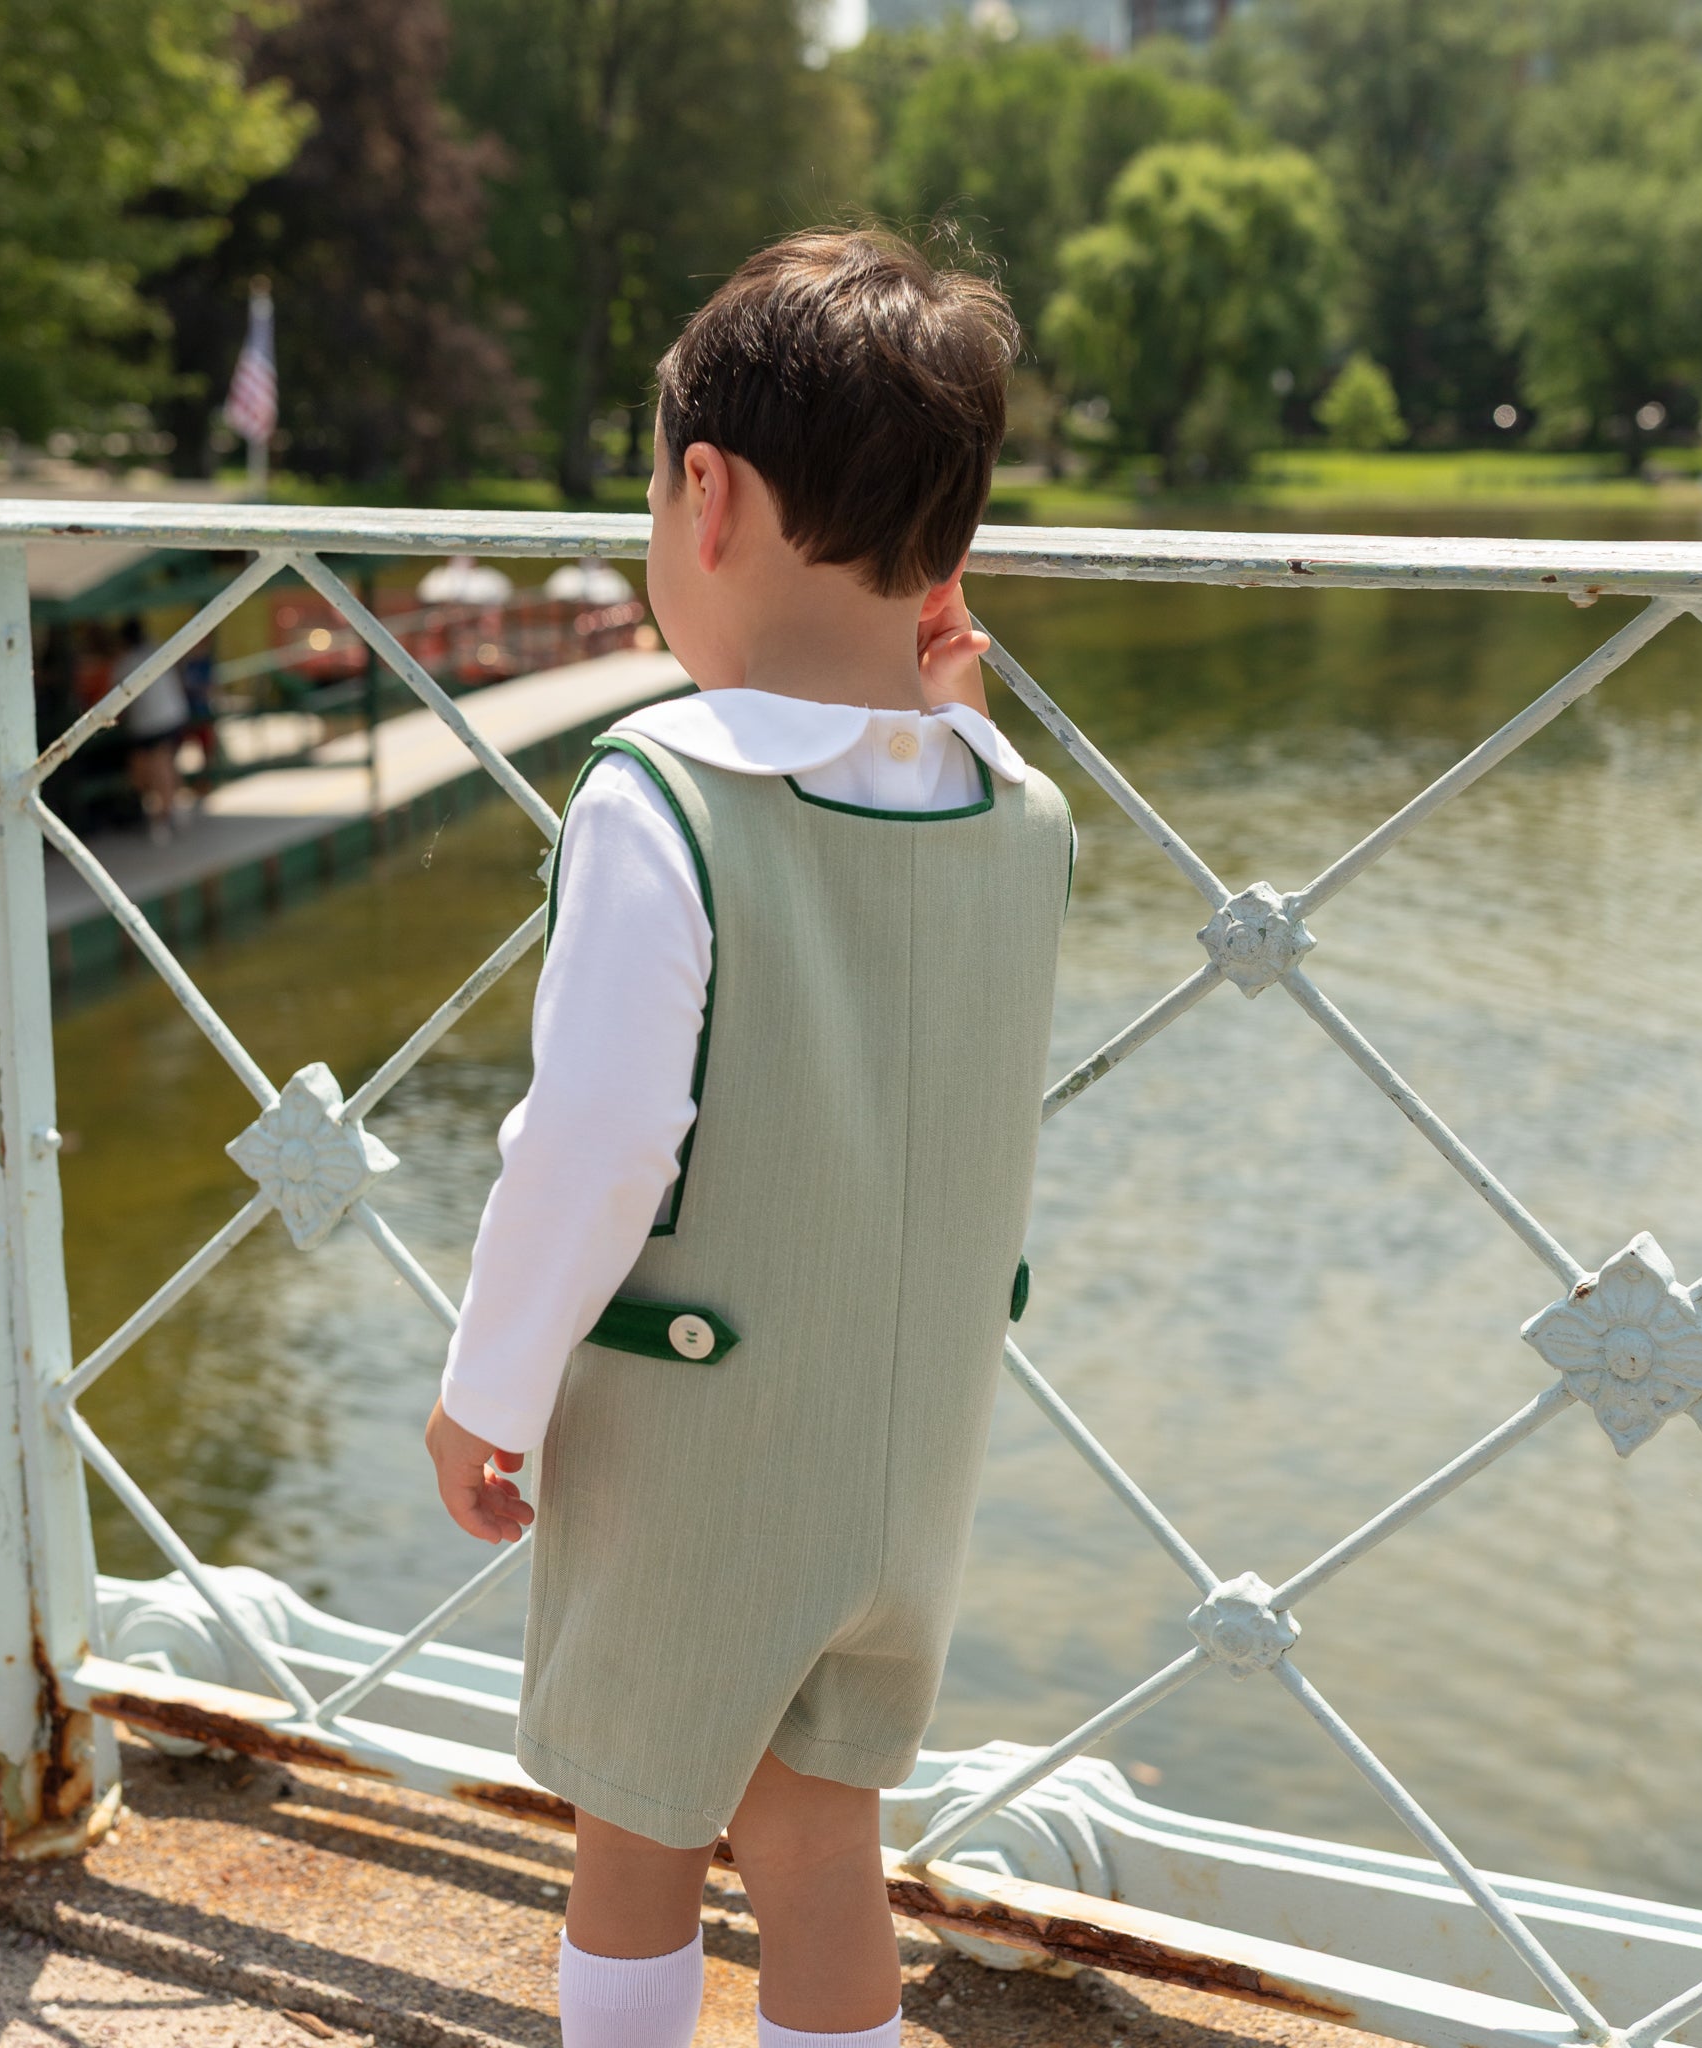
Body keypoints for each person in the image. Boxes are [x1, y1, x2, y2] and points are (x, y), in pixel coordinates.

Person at [425, 229, 1071, 2048]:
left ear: (702, 495)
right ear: (944, 548)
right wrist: (947, 712)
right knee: (818, 1830)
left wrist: (491, 1383)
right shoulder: (1016, 812)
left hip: (699, 1432)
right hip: (903, 1450)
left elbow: (599, 1136)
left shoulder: (660, 795)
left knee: (638, 1811)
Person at [112, 616, 191, 840]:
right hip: (168, 716)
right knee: (159, 767)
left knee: (160, 768)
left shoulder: (126, 662)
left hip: (154, 722)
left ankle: (164, 817)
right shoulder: (156, 649)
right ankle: (171, 811)